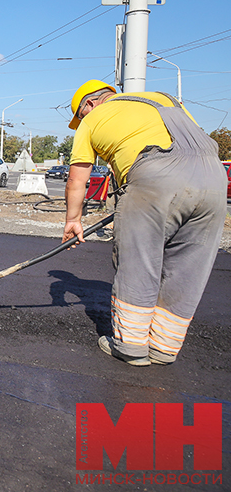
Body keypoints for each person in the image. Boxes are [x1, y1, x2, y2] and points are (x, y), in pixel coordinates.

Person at [63, 79, 226, 367]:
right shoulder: (164, 99)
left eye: (81, 116)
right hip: (214, 180)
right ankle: (164, 347)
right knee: (188, 268)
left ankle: (131, 346)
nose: (83, 121)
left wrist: (73, 220)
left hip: (153, 178)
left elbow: (78, 178)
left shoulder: (92, 120)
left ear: (88, 105)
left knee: (139, 262)